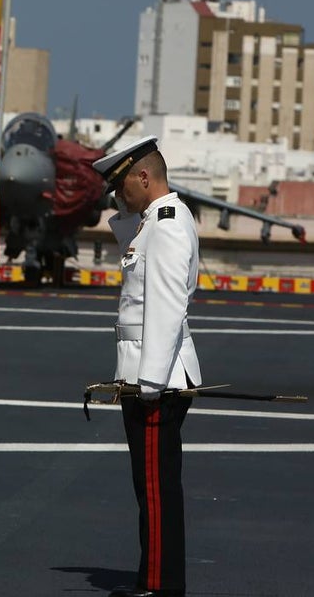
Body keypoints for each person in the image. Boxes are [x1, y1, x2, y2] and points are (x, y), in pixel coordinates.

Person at [92, 135, 203, 597]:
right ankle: (154, 579)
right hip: (144, 376)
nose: (118, 197)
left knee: (156, 492)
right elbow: (133, 249)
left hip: (156, 381)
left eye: (121, 187)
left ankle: (160, 587)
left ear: (144, 176)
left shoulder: (170, 225)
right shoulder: (154, 223)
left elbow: (165, 306)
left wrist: (150, 382)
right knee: (149, 489)